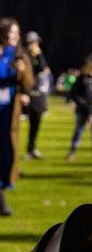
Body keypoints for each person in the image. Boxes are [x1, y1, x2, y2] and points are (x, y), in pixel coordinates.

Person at [0, 17, 32, 216]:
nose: (15, 36)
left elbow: (29, 83)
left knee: (7, 153)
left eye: (17, 33)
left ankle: (3, 192)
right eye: (12, 32)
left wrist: (22, 73)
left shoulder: (19, 55)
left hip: (8, 114)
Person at [23, 30, 52, 158]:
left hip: (38, 94)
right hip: (26, 93)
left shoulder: (38, 55)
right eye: (32, 42)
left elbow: (43, 68)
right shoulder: (23, 55)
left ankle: (31, 148)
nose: (35, 45)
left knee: (36, 122)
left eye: (35, 42)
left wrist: (38, 55)